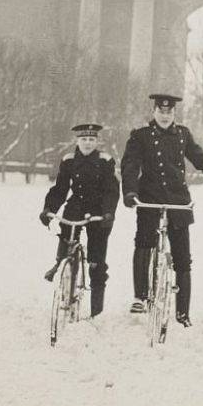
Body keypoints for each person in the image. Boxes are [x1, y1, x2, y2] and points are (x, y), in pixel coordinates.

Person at [121, 93, 203, 327]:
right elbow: (130, 166)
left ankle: (183, 313)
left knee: (183, 258)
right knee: (144, 243)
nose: (165, 116)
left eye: (169, 112)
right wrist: (130, 192)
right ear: (154, 112)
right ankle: (140, 297)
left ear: (174, 113)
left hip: (178, 201)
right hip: (150, 200)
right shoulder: (140, 136)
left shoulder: (182, 135)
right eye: (161, 111)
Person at [39, 123, 120, 318]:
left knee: (96, 260)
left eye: (91, 139)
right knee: (66, 231)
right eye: (84, 139)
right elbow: (60, 189)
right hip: (76, 206)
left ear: (97, 141)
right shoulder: (69, 160)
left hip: (98, 210)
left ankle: (96, 311)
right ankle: (61, 264)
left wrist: (108, 213)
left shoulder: (105, 160)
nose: (87, 143)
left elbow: (111, 190)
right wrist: (49, 209)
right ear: (77, 141)